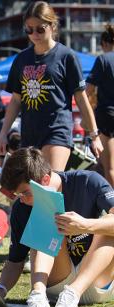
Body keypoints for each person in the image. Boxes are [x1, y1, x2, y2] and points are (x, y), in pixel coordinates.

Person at [0, 147, 114, 307]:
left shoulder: (87, 181)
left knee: (108, 224)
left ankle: (72, 294)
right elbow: (15, 260)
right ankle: (38, 299)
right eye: (17, 195)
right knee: (45, 217)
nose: (21, 199)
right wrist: (1, 290)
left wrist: (86, 225)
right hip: (57, 285)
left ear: (45, 179)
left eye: (25, 193)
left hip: (96, 281)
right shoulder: (22, 207)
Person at [0, 1, 103, 172]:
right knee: (33, 191)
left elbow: (82, 99)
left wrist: (94, 135)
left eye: (40, 29)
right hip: (29, 133)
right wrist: (3, 134)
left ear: (52, 26)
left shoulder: (66, 56)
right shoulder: (21, 59)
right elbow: (16, 100)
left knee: (49, 183)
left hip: (57, 130)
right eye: (29, 29)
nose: (34, 34)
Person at [86, 24, 114, 186]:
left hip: (107, 116)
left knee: (109, 167)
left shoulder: (103, 59)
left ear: (104, 44)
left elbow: (87, 90)